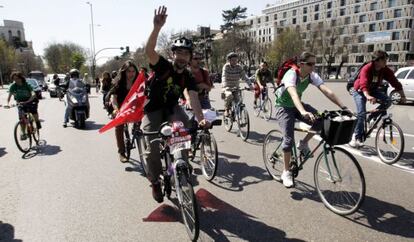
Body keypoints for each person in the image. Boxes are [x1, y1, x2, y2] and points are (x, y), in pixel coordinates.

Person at [144, 6, 208, 203]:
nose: (182, 56)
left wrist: (201, 119)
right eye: (178, 52)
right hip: (153, 109)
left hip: (172, 109)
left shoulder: (188, 76)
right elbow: (149, 51)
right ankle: (155, 181)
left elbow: (194, 98)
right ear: (173, 55)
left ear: (189, 58)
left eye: (185, 54)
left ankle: (178, 168)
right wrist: (156, 27)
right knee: (152, 150)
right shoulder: (163, 66)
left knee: (182, 136)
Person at [274, 52, 349, 188]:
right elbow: (293, 93)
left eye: (315, 63)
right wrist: (303, 111)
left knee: (322, 122)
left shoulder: (311, 75)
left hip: (298, 105)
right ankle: (286, 172)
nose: (313, 66)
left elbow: (327, 91)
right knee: (288, 139)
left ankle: (303, 143)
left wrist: (343, 107)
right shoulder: (291, 74)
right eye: (310, 64)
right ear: (301, 64)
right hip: (284, 107)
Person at [350, 50, 406, 148]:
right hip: (359, 91)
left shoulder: (385, 69)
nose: (386, 61)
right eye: (384, 59)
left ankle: (371, 117)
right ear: (376, 60)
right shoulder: (367, 68)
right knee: (361, 113)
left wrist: (402, 95)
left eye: (386, 59)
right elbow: (363, 83)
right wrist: (367, 96)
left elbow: (395, 82)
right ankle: (356, 137)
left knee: (388, 101)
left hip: (373, 90)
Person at [110, 61, 139, 163]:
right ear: (124, 72)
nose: (131, 74)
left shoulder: (138, 81)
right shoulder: (119, 82)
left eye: (133, 71)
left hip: (135, 107)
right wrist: (116, 110)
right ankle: (121, 152)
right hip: (121, 107)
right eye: (128, 72)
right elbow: (113, 98)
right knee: (119, 126)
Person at [5, 72, 41, 140]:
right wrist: (7, 103)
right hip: (20, 102)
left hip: (30, 100)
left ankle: (37, 122)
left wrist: (28, 100)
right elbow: (9, 96)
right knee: (22, 118)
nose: (16, 80)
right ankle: (23, 133)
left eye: (17, 78)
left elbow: (33, 93)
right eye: (14, 79)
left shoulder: (27, 84)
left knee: (34, 113)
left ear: (21, 78)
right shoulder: (13, 86)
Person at [221, 52, 250, 116]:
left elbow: (244, 76)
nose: (235, 62)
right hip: (227, 87)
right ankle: (226, 109)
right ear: (229, 60)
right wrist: (225, 85)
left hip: (236, 87)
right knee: (229, 96)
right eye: (233, 60)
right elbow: (224, 77)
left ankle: (239, 116)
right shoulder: (226, 67)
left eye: (236, 60)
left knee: (238, 101)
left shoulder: (239, 67)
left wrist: (251, 86)